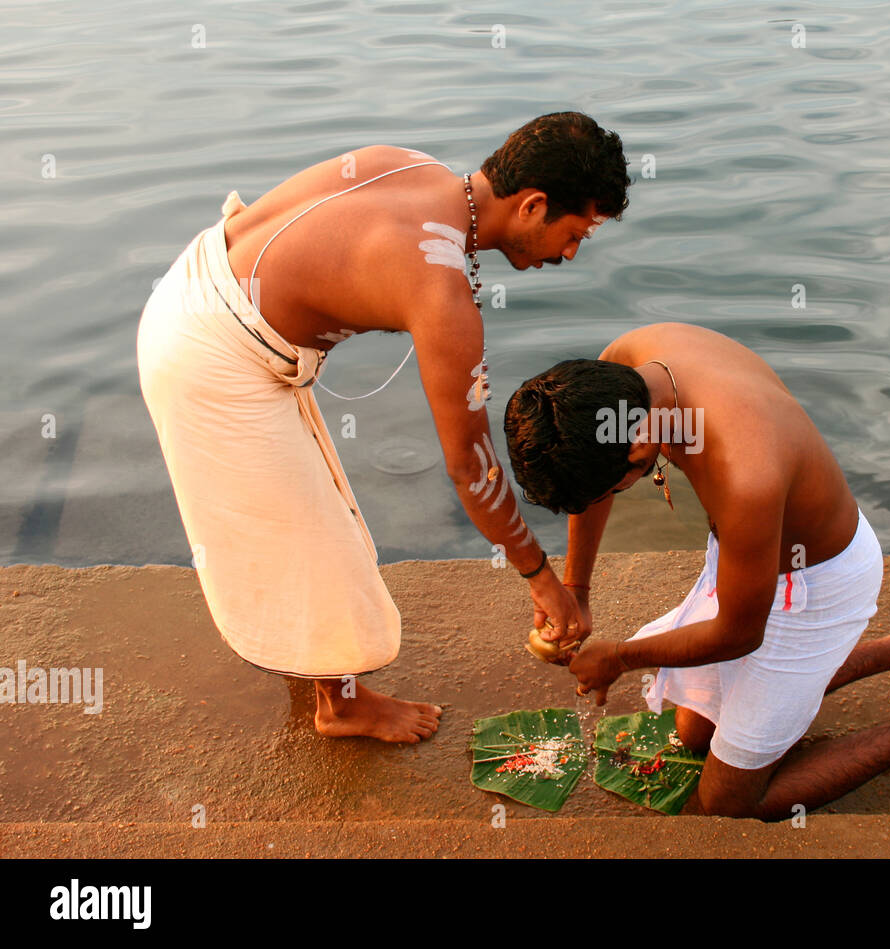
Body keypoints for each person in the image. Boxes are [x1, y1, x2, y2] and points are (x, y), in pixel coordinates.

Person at [137, 112, 629, 742]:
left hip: (196, 281)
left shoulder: (413, 166)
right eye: (576, 233)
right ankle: (340, 707)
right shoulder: (440, 287)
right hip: (210, 356)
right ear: (533, 205)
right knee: (316, 541)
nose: (570, 252)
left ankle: (309, 663)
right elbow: (469, 466)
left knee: (312, 512)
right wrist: (543, 579)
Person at [503, 323, 890, 819]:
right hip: (749, 554)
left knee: (724, 805)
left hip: (814, 587)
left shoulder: (744, 472)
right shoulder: (625, 368)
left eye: (612, 490)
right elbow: (589, 490)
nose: (606, 500)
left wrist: (620, 657)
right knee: (693, 734)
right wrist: (576, 588)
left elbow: (739, 634)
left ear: (637, 448)